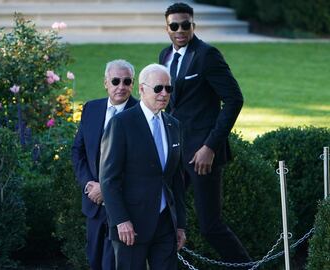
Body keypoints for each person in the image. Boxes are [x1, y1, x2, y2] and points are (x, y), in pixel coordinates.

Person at [159, 2, 251, 266]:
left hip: (202, 156)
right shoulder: (164, 55)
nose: (180, 30)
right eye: (174, 25)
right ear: (166, 28)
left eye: (185, 25)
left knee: (210, 226)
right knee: (167, 216)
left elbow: (234, 100)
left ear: (193, 26)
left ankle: (248, 267)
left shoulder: (207, 55)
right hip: (173, 152)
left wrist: (210, 146)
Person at [99, 64, 186, 270]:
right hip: (130, 226)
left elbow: (177, 180)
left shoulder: (174, 125)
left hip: (166, 225)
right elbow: (109, 179)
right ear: (141, 89)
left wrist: (180, 224)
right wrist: (121, 220)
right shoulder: (122, 123)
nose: (164, 94)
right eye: (158, 88)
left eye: (168, 88)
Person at [71, 59, 138, 270]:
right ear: (105, 83)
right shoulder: (91, 109)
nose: (121, 86)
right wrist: (88, 184)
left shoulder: (141, 114)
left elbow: (140, 165)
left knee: (114, 264)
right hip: (93, 204)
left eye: (126, 81)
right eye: (115, 81)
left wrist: (106, 190)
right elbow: (78, 151)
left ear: (133, 84)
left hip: (124, 208)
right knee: (94, 261)